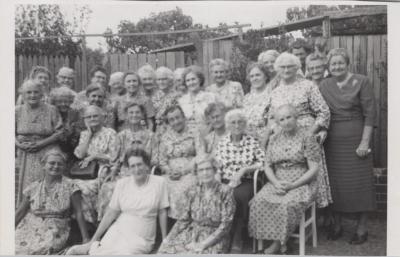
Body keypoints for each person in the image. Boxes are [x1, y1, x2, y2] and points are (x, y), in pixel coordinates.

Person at [319, 48, 376, 244]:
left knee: (360, 185)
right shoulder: (324, 85)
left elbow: (370, 114)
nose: (336, 66)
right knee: (336, 185)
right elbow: (320, 112)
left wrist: (365, 141)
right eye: (333, 63)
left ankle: (362, 228)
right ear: (328, 66)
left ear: (347, 63)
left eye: (340, 63)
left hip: (356, 137)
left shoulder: (362, 81)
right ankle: (337, 225)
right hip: (332, 141)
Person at [67, 149, 169, 255]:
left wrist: (165, 239)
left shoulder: (159, 182)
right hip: (120, 228)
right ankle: (92, 245)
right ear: (128, 169)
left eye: (140, 164)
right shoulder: (122, 184)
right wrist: (94, 239)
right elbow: (111, 213)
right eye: (132, 166)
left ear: (147, 165)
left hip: (142, 234)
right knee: (100, 253)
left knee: (126, 253)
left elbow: (162, 211)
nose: (137, 169)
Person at [248, 104, 320, 254]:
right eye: (282, 119)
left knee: (286, 204)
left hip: (302, 183)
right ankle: (279, 244)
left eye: (289, 117)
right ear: (278, 122)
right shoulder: (274, 139)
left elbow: (313, 169)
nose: (286, 122)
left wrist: (293, 185)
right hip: (278, 181)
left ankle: (277, 245)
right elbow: (267, 166)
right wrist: (275, 182)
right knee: (258, 201)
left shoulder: (308, 137)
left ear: (296, 118)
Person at [267, 52, 332, 209]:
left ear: (297, 67)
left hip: (306, 134)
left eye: (290, 66)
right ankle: (288, 210)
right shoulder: (275, 91)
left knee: (312, 171)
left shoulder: (308, 85)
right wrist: (276, 133)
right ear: (277, 69)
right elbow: (271, 117)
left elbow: (324, 112)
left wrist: (310, 133)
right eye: (283, 67)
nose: (287, 69)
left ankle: (318, 215)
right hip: (283, 139)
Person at [15, 149, 89, 254]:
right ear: (43, 165)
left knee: (41, 249)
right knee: (15, 247)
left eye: (60, 164)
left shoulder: (71, 186)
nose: (56, 166)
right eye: (52, 163)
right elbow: (20, 212)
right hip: (30, 226)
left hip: (56, 229)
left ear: (64, 167)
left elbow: (79, 212)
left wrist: (85, 238)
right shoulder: (33, 187)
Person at [158, 155, 235, 254]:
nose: (205, 173)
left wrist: (203, 244)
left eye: (208, 169)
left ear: (215, 170)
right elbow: (183, 220)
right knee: (164, 251)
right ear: (197, 173)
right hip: (193, 232)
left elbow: (226, 226)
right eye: (201, 170)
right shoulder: (192, 190)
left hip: (215, 237)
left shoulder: (226, 191)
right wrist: (168, 239)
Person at [215, 109, 265, 253]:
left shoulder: (252, 141)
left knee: (238, 196)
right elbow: (218, 166)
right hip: (226, 179)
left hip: (246, 180)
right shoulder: (223, 142)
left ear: (244, 124)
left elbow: (262, 162)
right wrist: (218, 180)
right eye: (233, 122)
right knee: (218, 194)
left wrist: (244, 170)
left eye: (240, 122)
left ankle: (238, 235)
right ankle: (224, 234)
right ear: (228, 125)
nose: (237, 125)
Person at [97, 103, 155, 220]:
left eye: (137, 112)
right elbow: (115, 159)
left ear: (143, 115)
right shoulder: (121, 135)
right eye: (131, 113)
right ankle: (108, 224)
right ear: (126, 116)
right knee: (108, 187)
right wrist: (113, 172)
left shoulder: (150, 135)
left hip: (143, 174)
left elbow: (154, 158)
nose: (134, 115)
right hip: (124, 173)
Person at [15, 80, 63, 204]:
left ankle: (47, 208)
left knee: (45, 179)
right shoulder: (17, 111)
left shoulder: (51, 110)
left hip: (47, 149)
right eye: (28, 92)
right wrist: (18, 144)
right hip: (24, 151)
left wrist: (41, 144)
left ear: (42, 94)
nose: (32, 95)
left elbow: (60, 132)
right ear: (23, 95)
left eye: (36, 92)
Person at [73, 105, 120, 224]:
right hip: (86, 172)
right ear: (84, 120)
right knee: (74, 188)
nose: (92, 119)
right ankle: (88, 223)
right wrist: (89, 135)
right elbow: (79, 155)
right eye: (88, 117)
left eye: (95, 116)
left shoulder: (110, 133)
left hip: (104, 170)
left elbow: (114, 157)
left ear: (102, 117)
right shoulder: (84, 134)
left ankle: (98, 222)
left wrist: (95, 156)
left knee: (86, 190)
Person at [158, 105, 199, 220]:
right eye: (171, 120)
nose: (176, 122)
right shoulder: (165, 137)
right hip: (170, 174)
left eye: (178, 117)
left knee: (181, 190)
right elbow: (162, 161)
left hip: (191, 172)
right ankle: (163, 229)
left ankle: (182, 225)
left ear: (183, 117)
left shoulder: (194, 132)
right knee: (158, 189)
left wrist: (183, 171)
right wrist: (169, 171)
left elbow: (200, 155)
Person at [178, 65, 217, 133]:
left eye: (193, 79)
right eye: (188, 80)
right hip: (187, 137)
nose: (191, 83)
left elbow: (215, 120)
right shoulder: (181, 101)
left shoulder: (210, 97)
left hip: (207, 135)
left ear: (200, 79)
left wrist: (204, 136)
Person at [49, 86, 81, 163]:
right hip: (51, 149)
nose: (63, 104)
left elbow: (77, 134)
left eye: (66, 101)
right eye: (59, 101)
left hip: (70, 149)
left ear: (71, 101)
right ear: (54, 102)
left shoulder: (75, 113)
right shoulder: (50, 113)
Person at [242, 62, 271, 143]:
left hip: (264, 140)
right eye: (252, 76)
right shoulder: (247, 98)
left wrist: (263, 140)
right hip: (246, 140)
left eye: (258, 75)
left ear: (265, 76)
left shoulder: (272, 95)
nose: (255, 78)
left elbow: (273, 122)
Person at [152, 66, 180, 132]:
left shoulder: (177, 96)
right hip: (158, 129)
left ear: (170, 80)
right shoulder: (154, 96)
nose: (161, 82)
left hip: (173, 127)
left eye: (164, 79)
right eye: (159, 79)